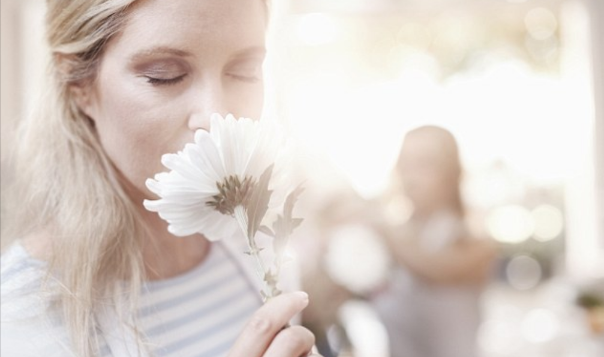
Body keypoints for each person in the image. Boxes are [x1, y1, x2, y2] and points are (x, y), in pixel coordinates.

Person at [0, 1, 321, 357]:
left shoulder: (259, 248)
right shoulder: (22, 311)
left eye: (244, 71)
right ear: (79, 85)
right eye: (164, 74)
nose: (215, 116)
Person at [372, 125, 497, 357]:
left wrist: (384, 233)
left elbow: (439, 269)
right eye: (405, 163)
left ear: (451, 173)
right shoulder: (390, 239)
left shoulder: (472, 237)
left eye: (424, 164)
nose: (411, 177)